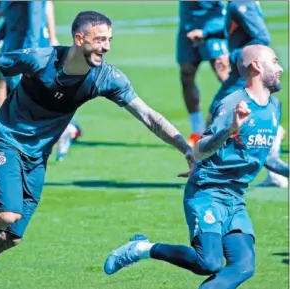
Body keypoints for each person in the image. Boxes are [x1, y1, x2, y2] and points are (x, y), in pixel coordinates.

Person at [0, 11, 195, 289]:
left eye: (109, 40)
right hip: (6, 140)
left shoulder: (106, 78)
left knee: (10, 238)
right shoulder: (42, 59)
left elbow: (149, 116)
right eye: (100, 40)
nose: (106, 47)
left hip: (37, 158)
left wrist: (185, 147)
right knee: (8, 214)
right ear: (80, 39)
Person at [104, 45, 289, 289]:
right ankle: (142, 248)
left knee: (243, 266)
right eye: (274, 62)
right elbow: (200, 149)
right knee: (209, 263)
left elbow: (264, 157)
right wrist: (230, 129)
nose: (281, 68)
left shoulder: (274, 107)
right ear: (256, 65)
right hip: (208, 192)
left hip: (235, 198)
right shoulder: (232, 104)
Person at [187, 0, 287, 187]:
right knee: (221, 119)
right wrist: (206, 33)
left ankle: (211, 177)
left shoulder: (240, 3)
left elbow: (262, 38)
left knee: (215, 117)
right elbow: (236, 31)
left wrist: (233, 57)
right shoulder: (236, 3)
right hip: (240, 72)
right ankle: (273, 173)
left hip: (245, 73)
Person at [0, 1, 63, 148]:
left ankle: (53, 129)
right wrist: (0, 34)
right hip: (15, 40)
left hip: (24, 44)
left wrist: (30, 51)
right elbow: (14, 8)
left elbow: (35, 17)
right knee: (5, 83)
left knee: (18, 87)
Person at [177, 1, 229, 147]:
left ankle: (245, 125)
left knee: (225, 76)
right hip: (187, 22)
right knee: (186, 75)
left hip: (211, 22)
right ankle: (197, 131)